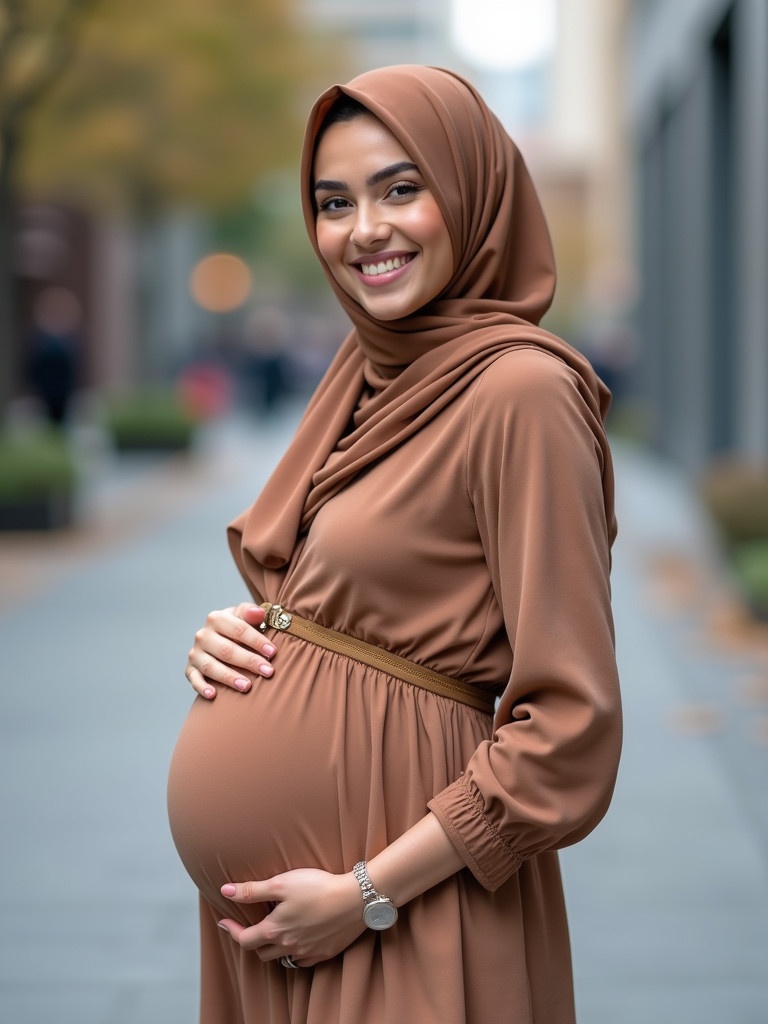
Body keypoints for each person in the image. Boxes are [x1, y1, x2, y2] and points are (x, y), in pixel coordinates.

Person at [167, 64, 621, 1024]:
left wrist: (366, 893)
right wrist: (245, 635)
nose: (363, 229)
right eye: (334, 202)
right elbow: (342, 603)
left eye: (400, 188)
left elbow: (570, 730)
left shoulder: (519, 395)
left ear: (471, 194)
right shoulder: (366, 373)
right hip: (281, 931)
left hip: (404, 908)